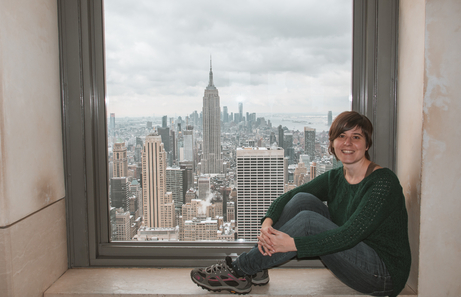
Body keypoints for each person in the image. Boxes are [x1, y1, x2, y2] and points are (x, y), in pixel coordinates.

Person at [190, 111, 411, 297]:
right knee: (302, 200)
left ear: (367, 144)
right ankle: (257, 268)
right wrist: (268, 221)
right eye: (342, 136)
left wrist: (295, 245)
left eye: (356, 137)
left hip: (381, 274)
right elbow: (290, 196)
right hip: (354, 256)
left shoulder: (383, 182)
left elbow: (350, 235)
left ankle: (240, 269)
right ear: (332, 143)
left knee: (309, 221)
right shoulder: (336, 177)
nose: (348, 143)